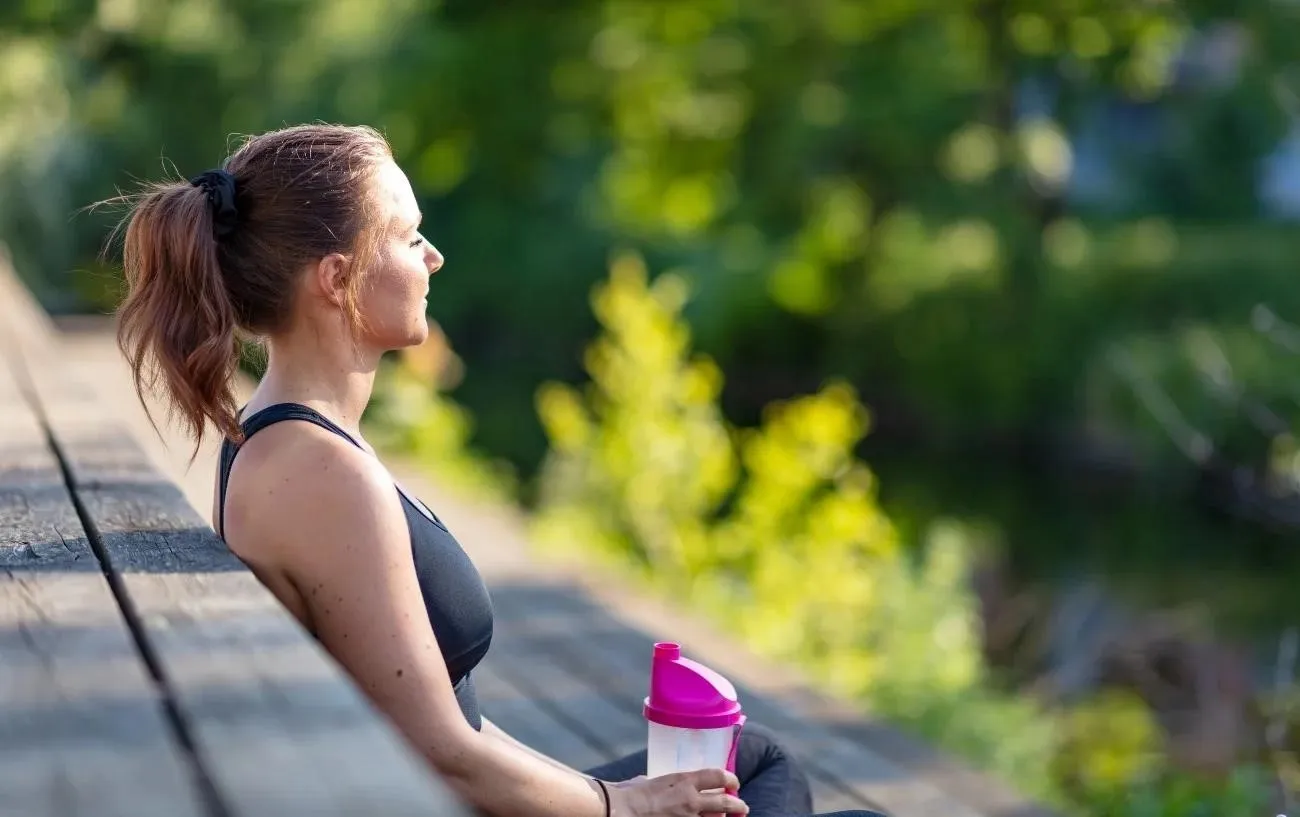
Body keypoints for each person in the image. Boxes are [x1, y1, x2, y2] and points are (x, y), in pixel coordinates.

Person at [112, 123, 884, 817]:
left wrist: (616, 792)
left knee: (751, 759)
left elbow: (448, 721)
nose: (434, 257)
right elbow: (443, 753)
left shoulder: (291, 441)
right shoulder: (317, 473)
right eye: (410, 238)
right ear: (337, 279)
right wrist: (621, 804)